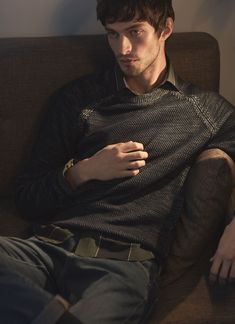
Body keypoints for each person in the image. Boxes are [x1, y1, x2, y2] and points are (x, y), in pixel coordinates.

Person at [0, 0, 234, 323]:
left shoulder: (205, 112)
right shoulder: (78, 100)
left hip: (121, 269)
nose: (122, 48)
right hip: (49, 249)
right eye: (112, 34)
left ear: (165, 28)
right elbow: (27, 198)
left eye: (135, 32)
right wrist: (82, 171)